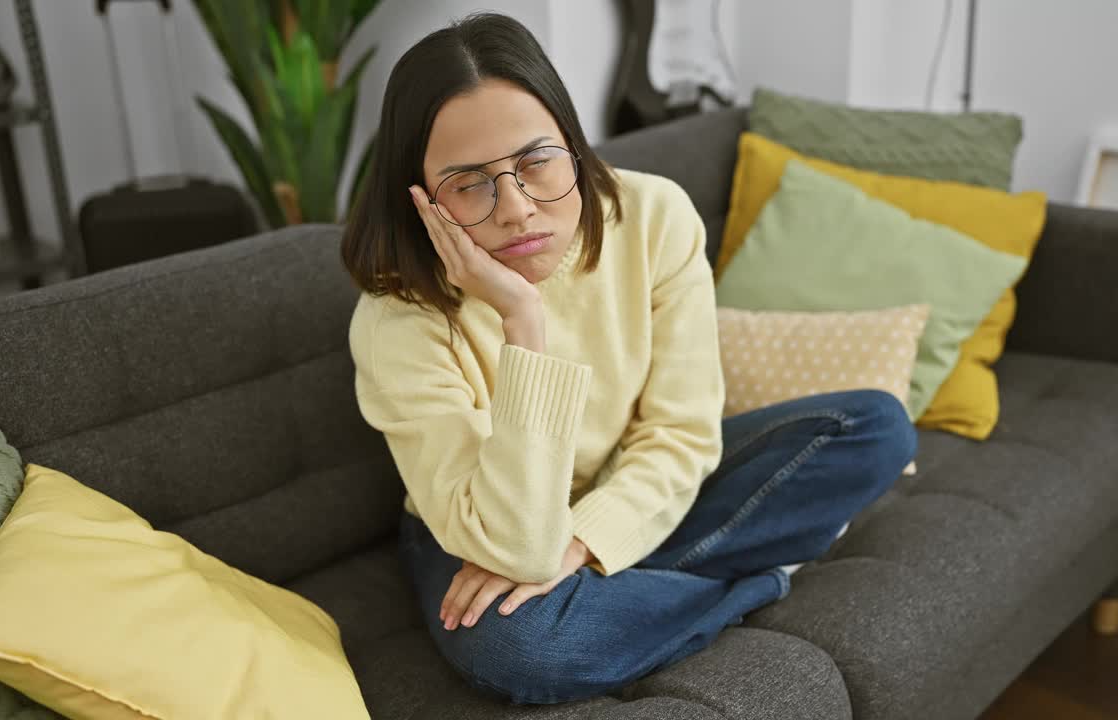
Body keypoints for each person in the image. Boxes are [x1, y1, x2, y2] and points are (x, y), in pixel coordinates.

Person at [342, 11, 915, 706]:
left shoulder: (654, 217)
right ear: (420, 197)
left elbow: (681, 434)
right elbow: (513, 549)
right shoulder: (396, 318)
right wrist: (523, 319)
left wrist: (582, 543)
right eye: (470, 184)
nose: (517, 209)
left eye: (536, 162)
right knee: (519, 646)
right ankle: (759, 578)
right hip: (479, 523)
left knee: (876, 427)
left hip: (633, 486)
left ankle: (614, 596)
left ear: (573, 145)